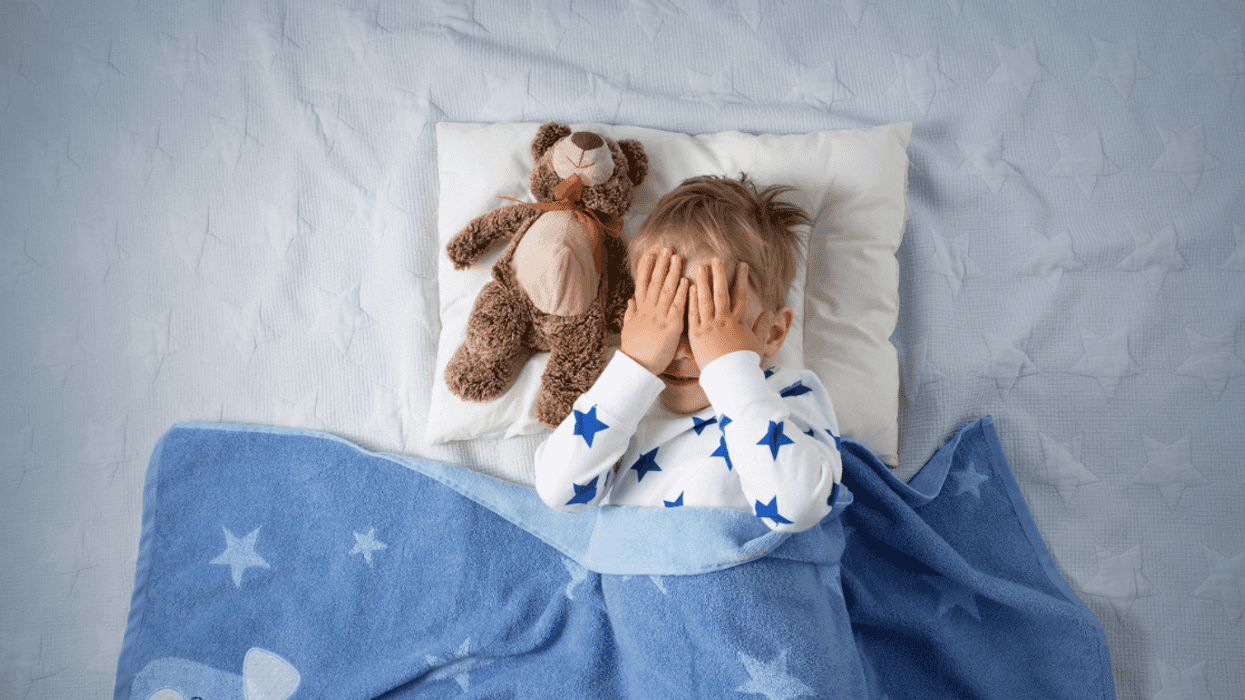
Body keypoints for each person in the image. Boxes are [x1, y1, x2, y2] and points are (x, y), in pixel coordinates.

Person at [533, 174, 842, 533]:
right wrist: (637, 365)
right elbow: (558, 491)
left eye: (710, 322)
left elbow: (797, 507)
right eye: (663, 321)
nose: (679, 350)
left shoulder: (786, 395)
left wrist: (728, 368)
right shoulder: (627, 406)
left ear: (772, 333)